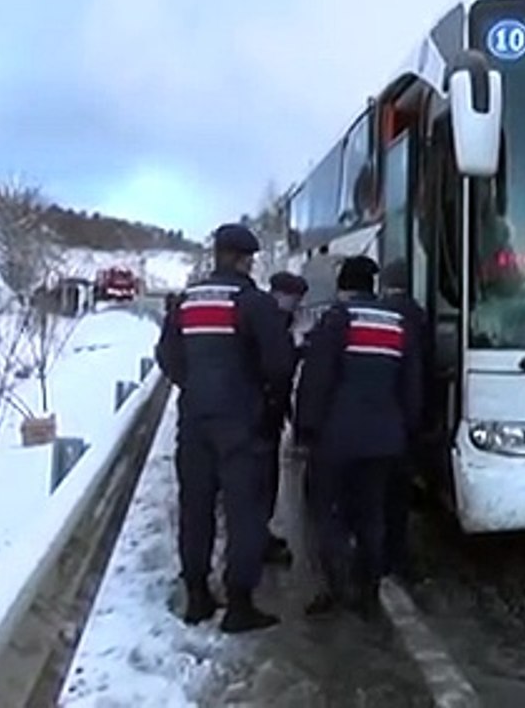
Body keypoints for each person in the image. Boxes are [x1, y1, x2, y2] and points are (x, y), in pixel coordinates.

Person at [154, 223, 295, 632]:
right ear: (244, 259)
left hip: (194, 420)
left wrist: (194, 385)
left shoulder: (186, 301)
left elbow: (167, 356)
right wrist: (266, 400)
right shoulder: (254, 303)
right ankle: (239, 605)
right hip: (242, 422)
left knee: (195, 508)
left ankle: (197, 595)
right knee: (245, 511)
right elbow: (279, 364)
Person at [293, 255, 423, 616]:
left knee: (327, 512)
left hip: (337, 440)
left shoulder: (337, 319)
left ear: (343, 287)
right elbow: (411, 385)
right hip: (385, 439)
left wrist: (305, 429)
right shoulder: (397, 323)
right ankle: (368, 589)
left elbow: (316, 380)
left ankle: (336, 586)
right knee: (372, 513)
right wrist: (407, 430)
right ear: (372, 286)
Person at [378, 259, 429, 582]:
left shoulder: (382, 314)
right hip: (404, 419)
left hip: (379, 416)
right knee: (398, 493)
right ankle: (398, 555)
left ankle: (377, 557)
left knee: (376, 492)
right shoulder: (418, 315)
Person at [258, 271, 308, 566]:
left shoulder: (278, 319)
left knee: (266, 477)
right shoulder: (271, 321)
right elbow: (276, 365)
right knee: (261, 479)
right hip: (262, 414)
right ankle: (257, 540)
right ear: (281, 295)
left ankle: (259, 534)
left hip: (267, 412)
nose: (298, 305)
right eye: (295, 299)